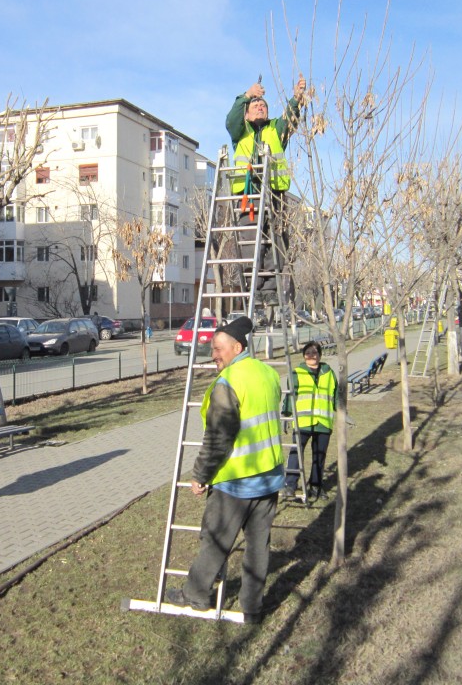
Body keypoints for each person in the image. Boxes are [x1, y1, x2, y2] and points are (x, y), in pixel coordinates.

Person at [164, 316, 284, 624]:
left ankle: (195, 594)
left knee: (216, 542)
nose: (213, 355)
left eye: (217, 348)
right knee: (259, 548)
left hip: (235, 482)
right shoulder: (268, 373)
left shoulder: (228, 383)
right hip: (268, 478)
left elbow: (218, 439)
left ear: (237, 347)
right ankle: (252, 608)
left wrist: (200, 476)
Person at [225, 76, 306, 299]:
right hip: (249, 196)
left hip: (274, 195)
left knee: (276, 242)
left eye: (263, 105)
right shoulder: (240, 131)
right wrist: (247, 95)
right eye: (255, 105)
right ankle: (254, 290)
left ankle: (270, 292)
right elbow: (231, 119)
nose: (260, 107)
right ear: (247, 113)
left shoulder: (275, 129)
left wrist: (297, 98)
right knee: (252, 242)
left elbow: (290, 118)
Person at [282, 339, 337, 502]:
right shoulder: (296, 373)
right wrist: (286, 414)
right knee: (295, 453)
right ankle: (290, 485)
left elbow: (336, 395)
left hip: (323, 423)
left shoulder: (329, 372)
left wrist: (342, 410)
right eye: (308, 353)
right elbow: (290, 396)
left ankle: (316, 486)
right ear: (304, 356)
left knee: (319, 456)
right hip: (303, 421)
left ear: (320, 355)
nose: (311, 355)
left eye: (314, 352)